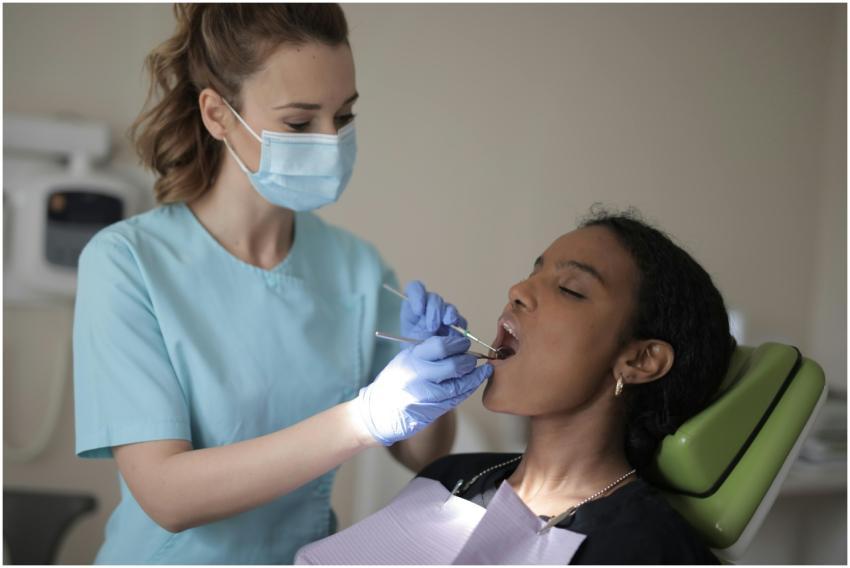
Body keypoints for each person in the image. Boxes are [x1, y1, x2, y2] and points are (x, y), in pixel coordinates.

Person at [72, 5, 491, 564]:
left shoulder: (355, 269)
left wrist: (432, 377)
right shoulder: (128, 263)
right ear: (218, 115)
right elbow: (165, 495)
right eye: (299, 123)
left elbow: (422, 456)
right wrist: (362, 419)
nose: (330, 141)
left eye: (343, 118)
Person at [302, 208, 734, 564]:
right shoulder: (450, 477)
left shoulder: (649, 550)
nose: (518, 291)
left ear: (640, 359)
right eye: (534, 273)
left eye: (569, 289)